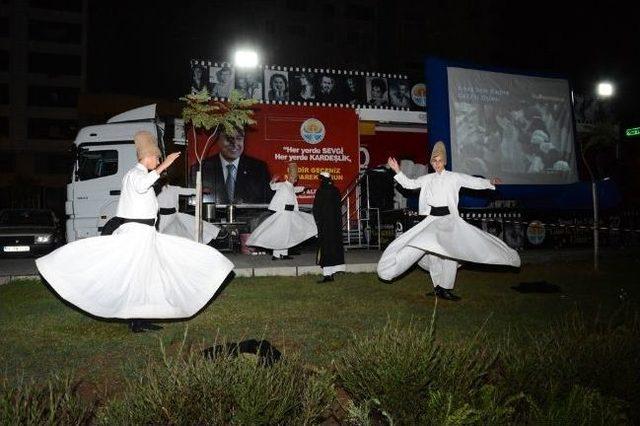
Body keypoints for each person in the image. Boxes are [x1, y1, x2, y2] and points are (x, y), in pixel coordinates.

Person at [36, 131, 234, 331]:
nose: (157, 161)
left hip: (145, 234)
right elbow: (141, 186)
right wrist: (165, 165)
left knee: (146, 276)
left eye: (159, 159)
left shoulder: (139, 175)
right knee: (138, 275)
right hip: (137, 234)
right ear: (147, 156)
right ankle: (137, 320)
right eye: (156, 158)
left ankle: (140, 319)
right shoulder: (135, 175)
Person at [377, 141, 520, 301]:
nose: (437, 164)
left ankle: (446, 287)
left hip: (449, 221)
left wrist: (489, 183)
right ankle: (438, 287)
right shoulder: (427, 178)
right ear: (431, 163)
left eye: (439, 160)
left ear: (444, 161)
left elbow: (471, 181)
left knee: (450, 253)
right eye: (434, 161)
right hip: (432, 221)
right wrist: (397, 170)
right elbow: (410, 184)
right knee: (432, 252)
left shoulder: (454, 177)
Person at [246, 163, 317, 260]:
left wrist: (304, 188)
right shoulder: (282, 184)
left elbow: (296, 189)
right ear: (288, 177)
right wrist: (273, 181)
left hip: (290, 213)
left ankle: (281, 254)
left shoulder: (291, 187)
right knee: (280, 233)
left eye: (295, 179)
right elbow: (273, 187)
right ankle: (278, 254)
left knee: (285, 234)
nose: (294, 180)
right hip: (283, 213)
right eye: (293, 177)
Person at [196, 127, 271, 204]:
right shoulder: (201, 169)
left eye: (239, 138)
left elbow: (267, 204)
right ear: (217, 140)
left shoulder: (259, 169)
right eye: (229, 139)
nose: (234, 144)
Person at [156, 178, 220, 243]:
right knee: (161, 236)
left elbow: (187, 191)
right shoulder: (156, 190)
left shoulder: (173, 189)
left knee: (180, 233)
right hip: (162, 217)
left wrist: (200, 190)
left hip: (173, 217)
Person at [312, 172, 345, 282]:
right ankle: (331, 273)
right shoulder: (335, 190)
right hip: (335, 225)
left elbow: (316, 209)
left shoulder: (321, 191)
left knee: (326, 249)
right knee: (334, 248)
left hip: (325, 225)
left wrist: (317, 222)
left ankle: (327, 275)